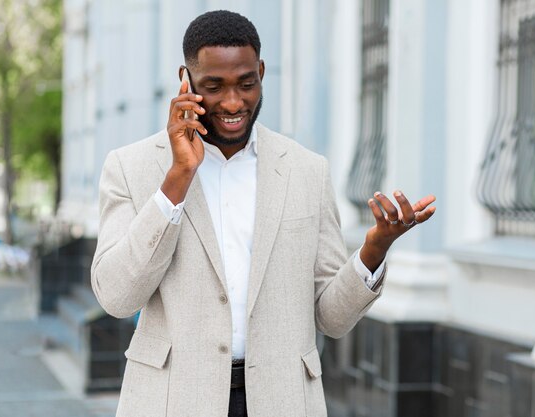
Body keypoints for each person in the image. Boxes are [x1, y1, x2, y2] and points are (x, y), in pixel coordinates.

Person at [91, 10, 435, 417]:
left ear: (262, 72)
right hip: (172, 400)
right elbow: (116, 297)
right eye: (213, 86)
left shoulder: (306, 171)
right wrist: (178, 178)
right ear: (185, 79)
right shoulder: (130, 167)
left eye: (246, 83)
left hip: (282, 399)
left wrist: (374, 250)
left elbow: (330, 318)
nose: (233, 102)